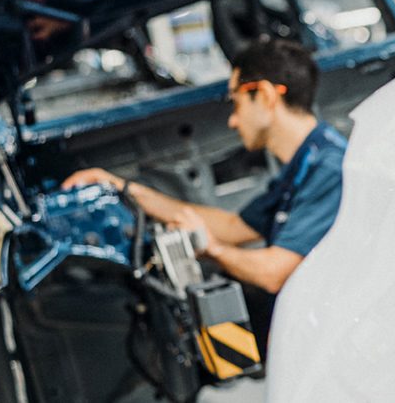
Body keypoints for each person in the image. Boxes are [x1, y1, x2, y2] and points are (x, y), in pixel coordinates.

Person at [63, 38, 345, 351]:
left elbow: (272, 273)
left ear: (264, 95)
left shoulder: (329, 169)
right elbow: (233, 227)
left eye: (236, 103)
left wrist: (212, 249)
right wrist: (123, 188)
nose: (232, 120)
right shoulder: (305, 164)